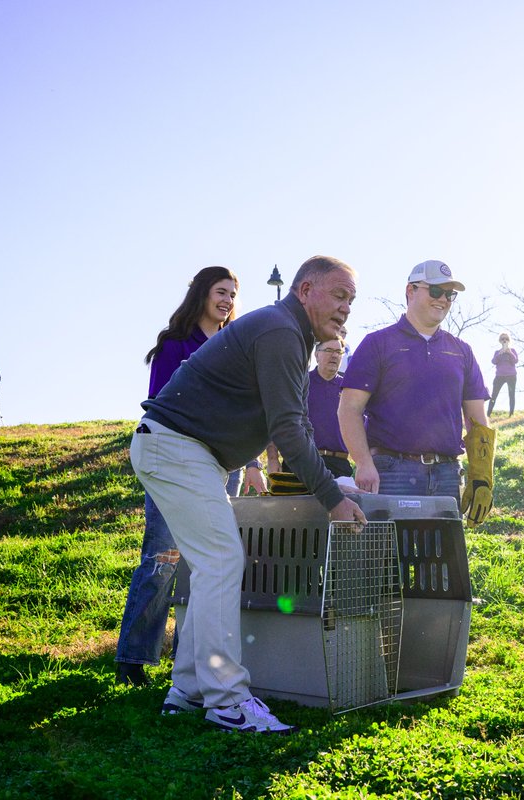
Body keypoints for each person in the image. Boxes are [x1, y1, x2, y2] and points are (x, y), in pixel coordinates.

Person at [132, 256, 366, 734]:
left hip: (181, 451)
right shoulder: (281, 331)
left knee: (213, 563)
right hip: (176, 448)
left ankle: (190, 689)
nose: (345, 309)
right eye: (338, 295)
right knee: (222, 559)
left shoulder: (290, 336)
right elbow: (288, 429)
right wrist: (333, 499)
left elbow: (294, 423)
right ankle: (227, 700)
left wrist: (330, 482)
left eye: (351, 301)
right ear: (304, 291)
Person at [116, 267, 267, 688]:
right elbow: (163, 407)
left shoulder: (235, 346)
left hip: (225, 466)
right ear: (202, 294)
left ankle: (192, 661)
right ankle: (134, 656)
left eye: (233, 295)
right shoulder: (174, 345)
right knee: (164, 559)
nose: (228, 301)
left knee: (210, 566)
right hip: (178, 461)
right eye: (221, 292)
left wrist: (252, 462)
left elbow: (246, 411)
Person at [339, 260, 492, 520]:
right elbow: (349, 409)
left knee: (444, 559)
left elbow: (477, 419)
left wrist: (482, 477)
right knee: (390, 558)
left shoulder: (461, 350)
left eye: (449, 294)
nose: (443, 299)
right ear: (410, 290)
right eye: (435, 291)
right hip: (391, 472)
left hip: (446, 474)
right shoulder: (377, 344)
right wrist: (364, 463)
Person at [266, 337, 353, 479]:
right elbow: (276, 419)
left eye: (339, 351)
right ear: (316, 354)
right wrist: (272, 458)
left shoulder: (349, 389)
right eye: (329, 350)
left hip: (339, 465)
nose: (334, 355)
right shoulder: (298, 382)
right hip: (300, 461)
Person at [487, 333, 518, 416]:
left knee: (511, 394)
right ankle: (488, 415)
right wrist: (499, 353)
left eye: (506, 339)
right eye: (503, 339)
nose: (504, 340)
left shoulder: (513, 351)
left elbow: (515, 361)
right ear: (500, 341)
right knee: (494, 395)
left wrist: (510, 352)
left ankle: (511, 414)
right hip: (499, 376)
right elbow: (493, 361)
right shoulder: (497, 352)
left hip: (511, 376)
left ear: (509, 340)